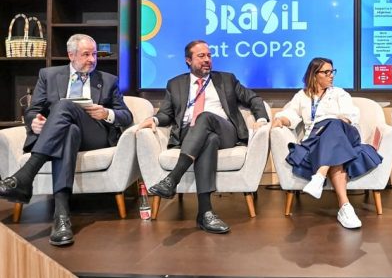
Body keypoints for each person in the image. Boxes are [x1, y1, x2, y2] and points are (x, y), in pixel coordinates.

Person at [0, 34, 133, 246]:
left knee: (63, 105)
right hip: (63, 134)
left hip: (94, 134)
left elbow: (126, 116)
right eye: (86, 54)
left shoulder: (108, 80)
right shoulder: (49, 75)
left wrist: (106, 113)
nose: (92, 59)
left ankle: (26, 176)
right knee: (69, 131)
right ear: (71, 55)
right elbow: (33, 111)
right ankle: (61, 218)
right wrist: (34, 122)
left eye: (94, 54)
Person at [138, 40, 269, 234]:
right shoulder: (175, 84)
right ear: (188, 60)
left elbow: (253, 99)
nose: (207, 59)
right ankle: (205, 213)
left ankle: (172, 179)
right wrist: (155, 120)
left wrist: (262, 119)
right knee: (208, 140)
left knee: (205, 117)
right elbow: (166, 113)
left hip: (226, 132)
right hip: (190, 135)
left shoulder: (226, 79)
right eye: (201, 56)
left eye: (209, 55)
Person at [272, 57, 382, 229]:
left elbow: (351, 115)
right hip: (316, 140)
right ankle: (345, 207)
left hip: (346, 135)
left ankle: (319, 176)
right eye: (326, 72)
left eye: (333, 72)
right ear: (314, 75)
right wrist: (281, 120)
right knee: (332, 143)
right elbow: (291, 114)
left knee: (333, 123)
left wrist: (335, 119)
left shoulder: (339, 93)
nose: (331, 76)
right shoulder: (301, 96)